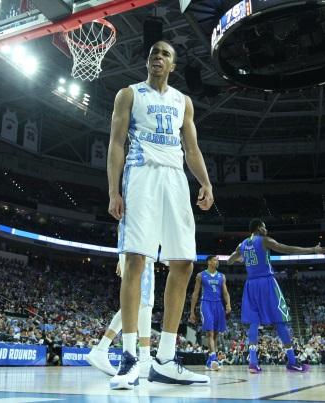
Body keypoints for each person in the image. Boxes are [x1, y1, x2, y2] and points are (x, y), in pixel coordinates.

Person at [107, 40, 213, 389]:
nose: (157, 57)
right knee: (136, 260)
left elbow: (192, 148)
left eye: (165, 54)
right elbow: (116, 144)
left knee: (183, 262)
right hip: (141, 175)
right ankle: (130, 358)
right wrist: (113, 190)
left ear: (173, 65)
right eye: (153, 53)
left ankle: (165, 358)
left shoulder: (183, 101)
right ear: (147, 61)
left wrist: (206, 183)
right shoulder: (129, 94)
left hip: (175, 179)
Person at [227, 219, 325, 373]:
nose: (266, 229)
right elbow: (288, 249)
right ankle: (292, 361)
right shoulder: (264, 240)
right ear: (258, 228)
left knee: (253, 323)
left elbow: (229, 261)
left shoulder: (242, 244)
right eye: (264, 226)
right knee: (280, 320)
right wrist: (313, 250)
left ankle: (253, 363)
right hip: (267, 282)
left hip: (250, 285)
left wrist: (242, 258)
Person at [87, 254, 155, 378]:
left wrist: (122, 255)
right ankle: (143, 358)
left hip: (132, 248)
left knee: (141, 303)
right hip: (141, 249)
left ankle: (144, 356)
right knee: (142, 302)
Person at [189, 255, 231, 370]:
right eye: (214, 260)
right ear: (208, 262)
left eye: (217, 260)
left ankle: (209, 361)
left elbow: (225, 292)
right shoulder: (201, 275)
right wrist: (192, 311)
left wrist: (228, 304)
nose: (216, 262)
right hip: (206, 303)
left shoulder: (221, 276)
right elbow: (195, 293)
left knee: (216, 334)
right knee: (210, 333)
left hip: (218, 304)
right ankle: (213, 358)